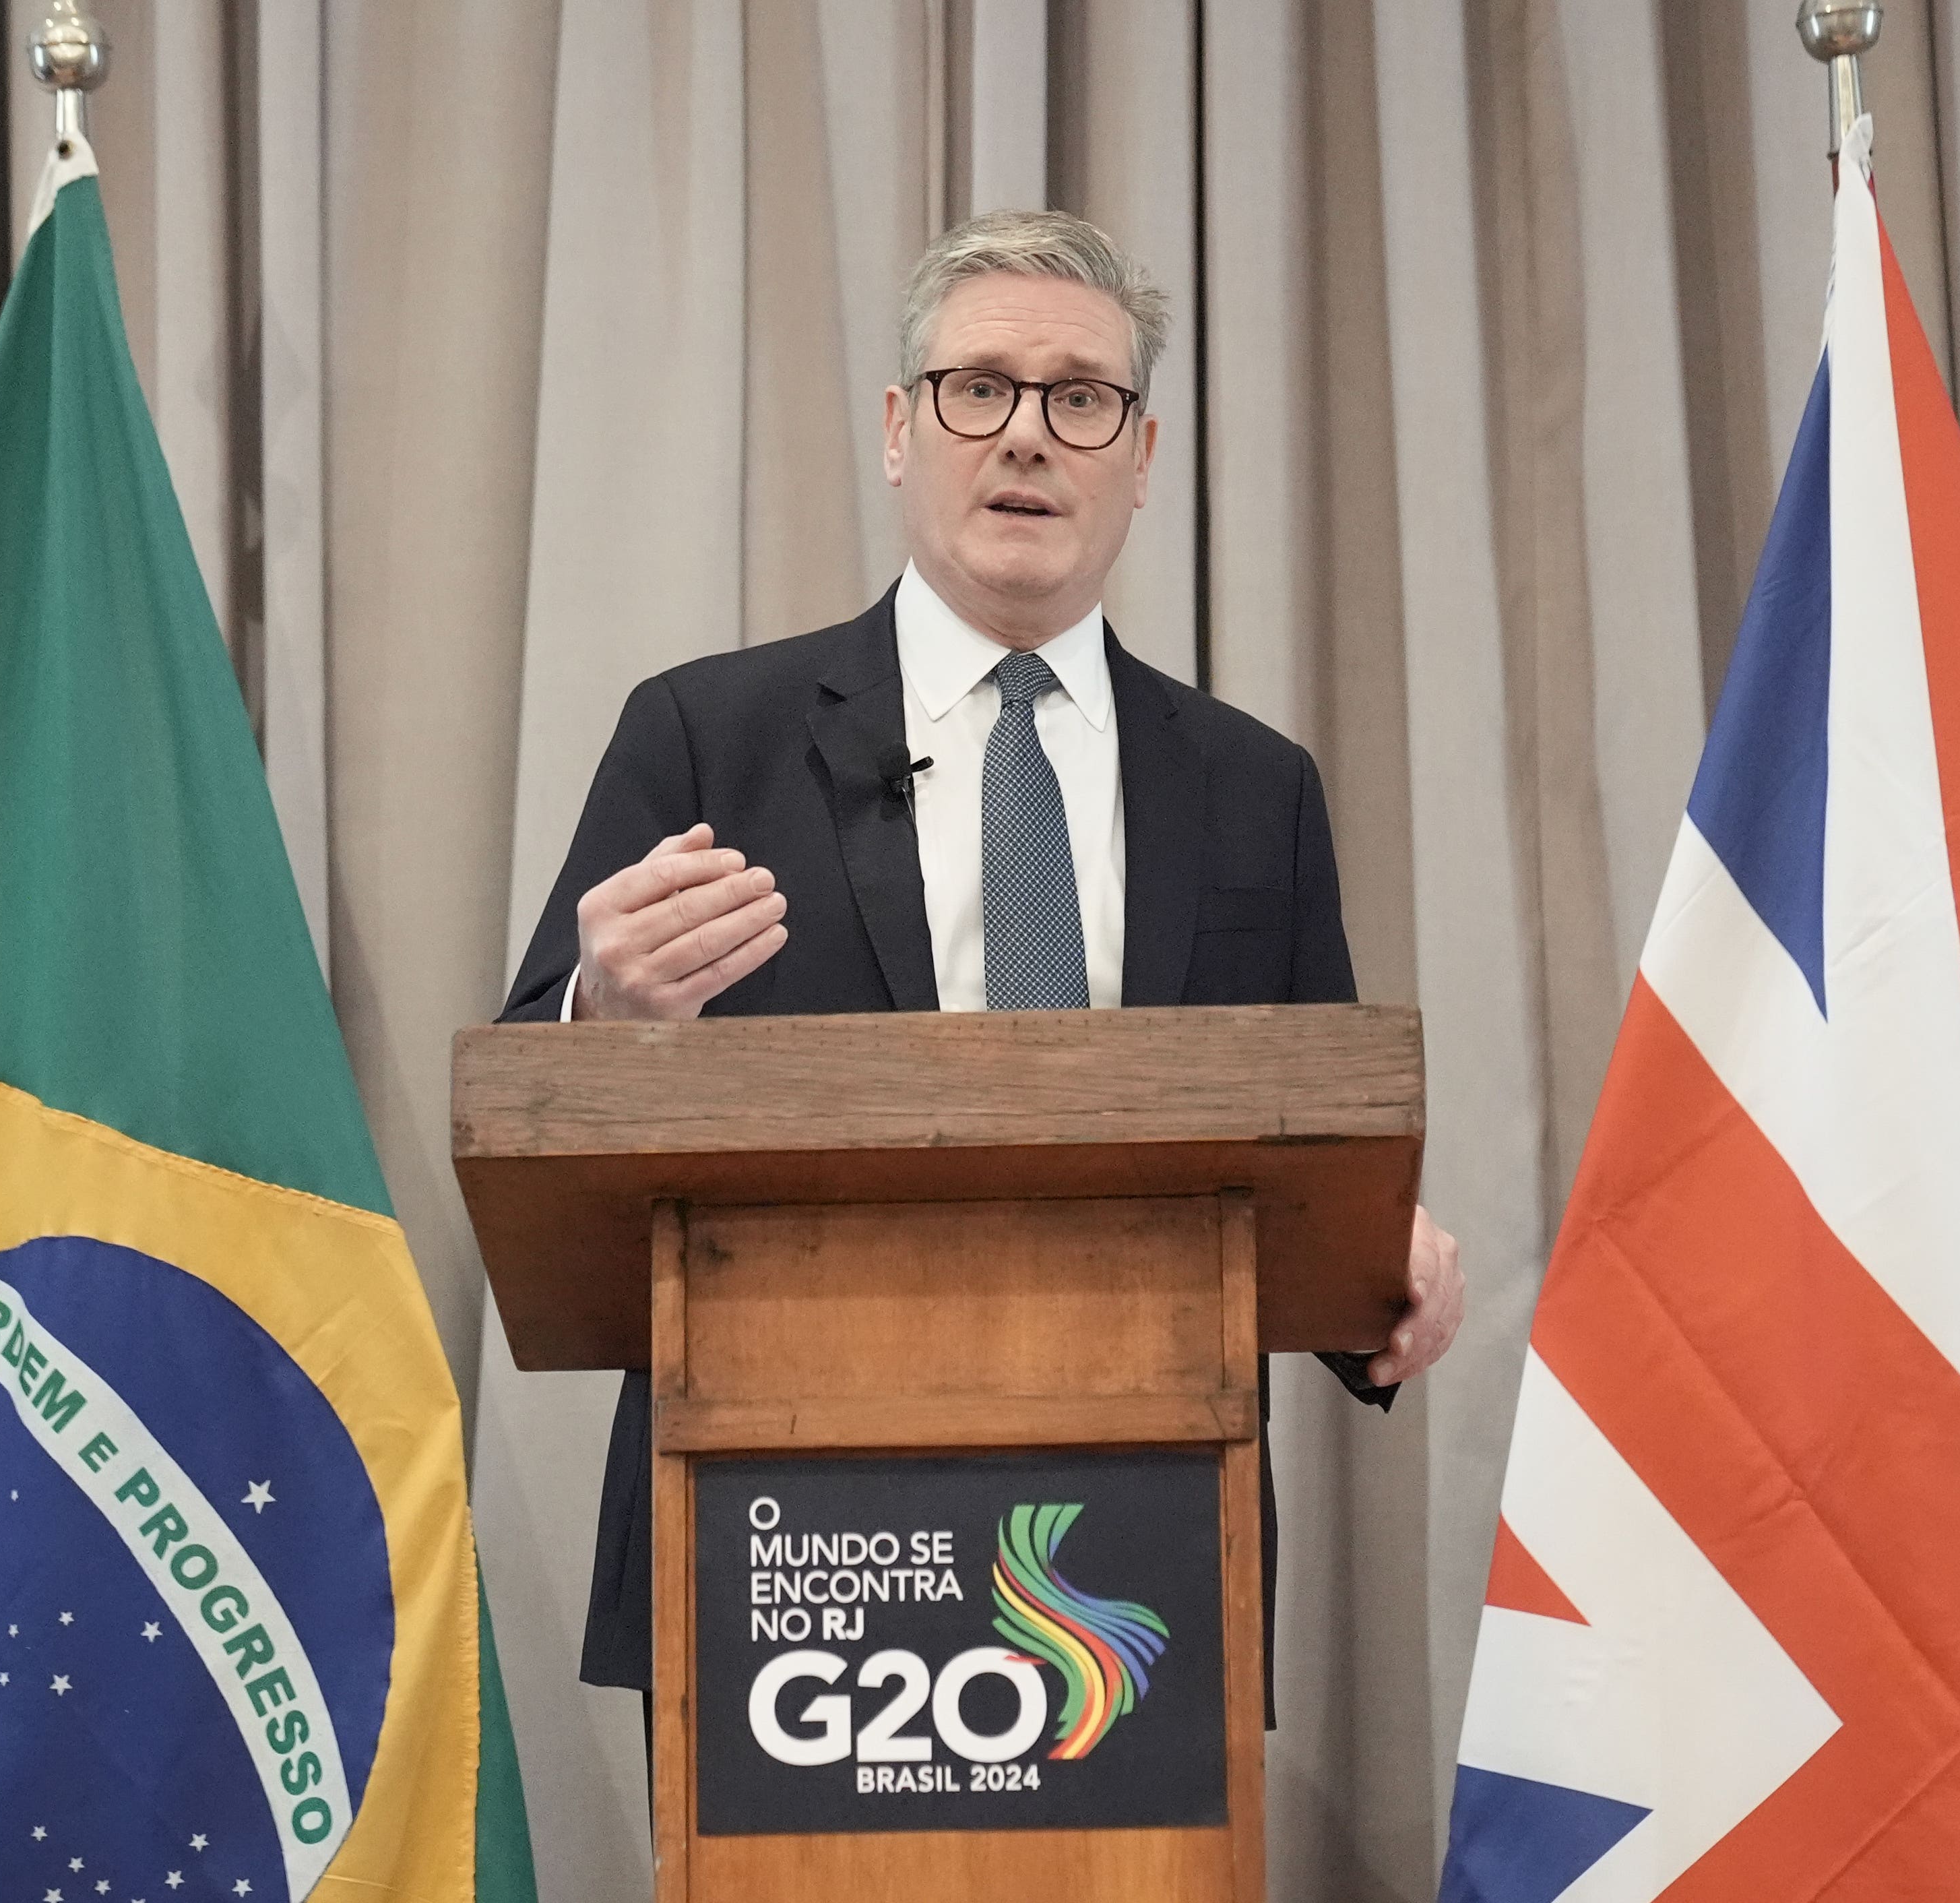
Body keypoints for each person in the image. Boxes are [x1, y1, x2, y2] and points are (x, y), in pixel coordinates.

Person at [501, 208, 1467, 1720]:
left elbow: (1315, 1158)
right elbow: (532, 1098)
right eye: (979, 389)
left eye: (1080, 397)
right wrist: (597, 1011)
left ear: (1140, 459)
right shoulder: (710, 736)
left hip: (1133, 1558)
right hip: (786, 1554)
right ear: (902, 429)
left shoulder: (1251, 786)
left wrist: (1381, 1267)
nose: (1027, 434)